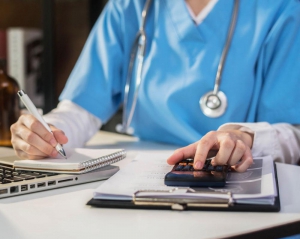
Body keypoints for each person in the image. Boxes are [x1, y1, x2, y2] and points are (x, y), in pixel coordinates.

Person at [10, 0, 300, 172]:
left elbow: (293, 133)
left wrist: (246, 138)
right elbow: (80, 110)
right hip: (142, 172)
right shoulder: (131, 5)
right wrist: (44, 133)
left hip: (234, 176)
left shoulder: (282, 9)